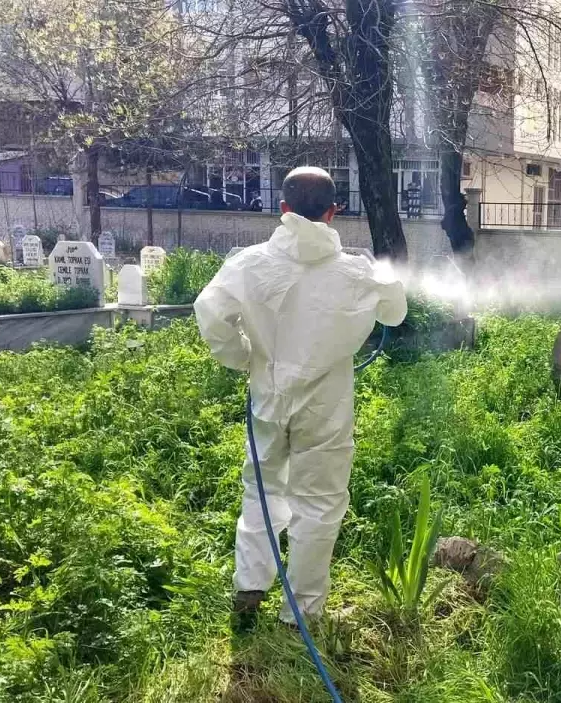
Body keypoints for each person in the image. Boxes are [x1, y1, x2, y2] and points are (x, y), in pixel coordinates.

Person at [195, 166, 407, 627]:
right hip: (326, 408)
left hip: (268, 398)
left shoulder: (248, 264)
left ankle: (250, 588)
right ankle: (302, 613)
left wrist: (242, 356)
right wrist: (384, 279)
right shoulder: (356, 270)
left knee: (263, 490)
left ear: (284, 209)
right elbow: (395, 312)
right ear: (334, 212)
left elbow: (209, 312)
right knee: (320, 504)